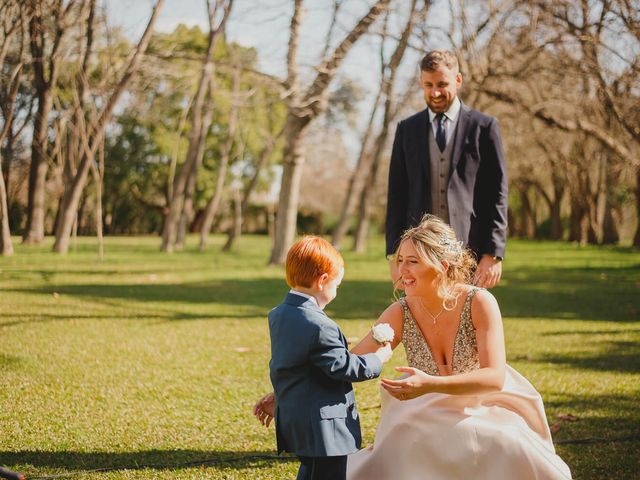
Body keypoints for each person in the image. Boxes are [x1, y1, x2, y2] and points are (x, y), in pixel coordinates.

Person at [346, 215, 571, 479]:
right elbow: (353, 362)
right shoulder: (400, 311)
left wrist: (431, 384)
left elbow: (494, 377)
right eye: (400, 261)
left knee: (505, 441)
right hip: (420, 408)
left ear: (441, 266)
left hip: (482, 401)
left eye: (412, 262)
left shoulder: (479, 302)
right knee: (406, 435)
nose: (401, 271)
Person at [254, 235, 393, 480]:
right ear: (323, 280)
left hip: (299, 420)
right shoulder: (320, 325)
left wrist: (280, 396)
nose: (336, 291)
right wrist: (378, 358)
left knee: (310, 471)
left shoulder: (279, 314)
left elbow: (292, 365)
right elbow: (344, 367)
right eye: (337, 285)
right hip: (324, 428)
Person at [386, 49, 508, 289]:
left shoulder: (484, 127)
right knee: (420, 320)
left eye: (442, 84)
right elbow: (396, 196)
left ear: (458, 80)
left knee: (467, 321)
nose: (436, 92)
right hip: (419, 252)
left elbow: (498, 194)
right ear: (421, 83)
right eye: (428, 85)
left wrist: (493, 253)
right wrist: (395, 255)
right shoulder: (406, 130)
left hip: (469, 250)